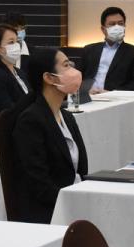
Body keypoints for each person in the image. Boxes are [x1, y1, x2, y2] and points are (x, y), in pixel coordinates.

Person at [10, 47, 88, 224]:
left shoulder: (66, 117)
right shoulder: (30, 121)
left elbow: (81, 170)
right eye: (66, 66)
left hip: (74, 202)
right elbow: (39, 183)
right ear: (49, 77)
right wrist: (71, 204)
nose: (73, 71)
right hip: (49, 212)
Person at [78, 6, 134, 93]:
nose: (117, 27)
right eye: (112, 24)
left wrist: (111, 93)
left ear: (125, 26)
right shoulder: (89, 50)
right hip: (88, 96)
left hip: (115, 98)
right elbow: (77, 77)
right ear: (103, 29)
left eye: (120, 24)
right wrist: (85, 90)